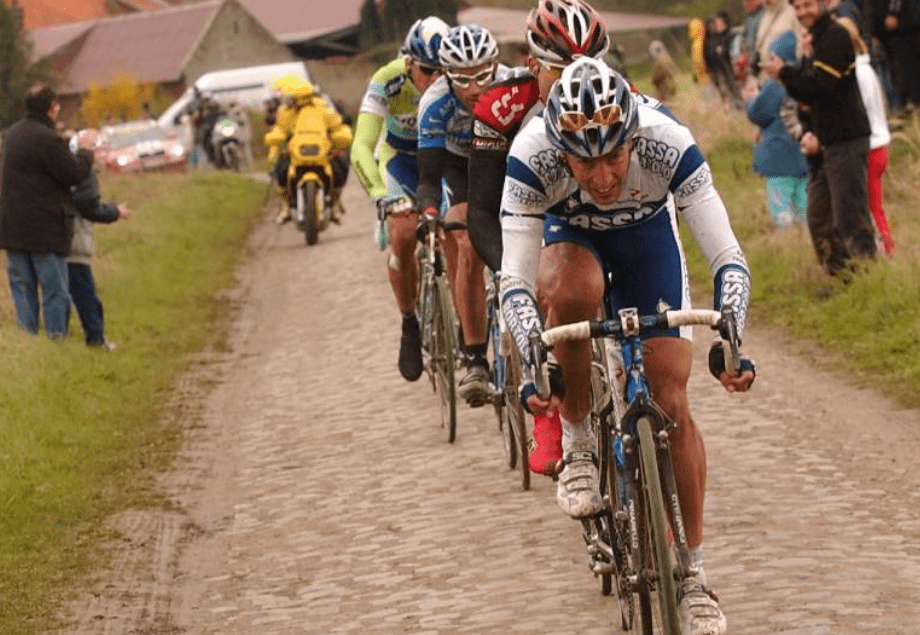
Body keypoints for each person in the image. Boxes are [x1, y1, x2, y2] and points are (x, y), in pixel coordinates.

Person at [499, 57, 755, 635]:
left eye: (614, 155)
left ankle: (692, 574)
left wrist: (730, 333)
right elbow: (514, 278)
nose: (604, 176)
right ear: (560, 148)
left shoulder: (668, 141)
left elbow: (727, 256)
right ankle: (580, 439)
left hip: (647, 242)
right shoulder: (532, 154)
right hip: (574, 241)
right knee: (571, 289)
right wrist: (534, 356)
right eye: (585, 161)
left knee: (672, 398)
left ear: (634, 136)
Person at [468, 0, 611, 475]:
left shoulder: (616, 96)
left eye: (589, 66)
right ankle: (551, 412)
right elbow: (484, 212)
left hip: (598, 208)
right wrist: (518, 279)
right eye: (560, 69)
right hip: (530, 211)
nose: (578, 79)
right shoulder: (503, 103)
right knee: (548, 286)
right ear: (532, 64)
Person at [350, 17, 450, 381]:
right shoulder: (386, 79)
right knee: (405, 236)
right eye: (427, 70)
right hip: (400, 163)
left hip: (440, 161)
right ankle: (410, 322)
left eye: (443, 72)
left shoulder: (454, 78)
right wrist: (379, 195)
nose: (435, 80)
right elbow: (361, 145)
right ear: (409, 63)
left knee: (460, 231)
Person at [415, 23, 508, 406]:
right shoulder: (434, 104)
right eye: (462, 79)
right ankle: (474, 357)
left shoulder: (513, 87)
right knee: (467, 239)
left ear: (497, 66)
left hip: (503, 158)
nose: (474, 88)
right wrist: (429, 211)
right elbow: (428, 176)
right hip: (460, 167)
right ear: (445, 75)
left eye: (483, 75)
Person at [762, 0, 877, 280]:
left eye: (808, 5)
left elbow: (819, 88)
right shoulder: (815, 39)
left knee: (850, 218)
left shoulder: (836, 35)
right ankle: (843, 282)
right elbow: (806, 95)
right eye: (797, 8)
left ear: (824, 3)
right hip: (826, 143)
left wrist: (785, 73)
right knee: (819, 218)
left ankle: (869, 280)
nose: (803, 13)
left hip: (847, 139)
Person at [0, 84, 93, 338]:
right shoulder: (48, 138)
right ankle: (55, 341)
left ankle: (28, 341)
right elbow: (74, 173)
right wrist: (86, 151)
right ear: (51, 108)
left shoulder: (13, 134)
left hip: (12, 228)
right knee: (54, 290)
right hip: (44, 230)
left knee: (23, 289)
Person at [67, 129, 132, 349]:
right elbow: (89, 207)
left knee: (72, 295)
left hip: (69, 244)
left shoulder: (71, 169)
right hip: (75, 246)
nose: (102, 153)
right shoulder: (84, 172)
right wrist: (115, 212)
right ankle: (96, 341)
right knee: (87, 297)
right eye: (97, 147)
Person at [838, 16, 895, 254]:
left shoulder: (858, 74)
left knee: (870, 209)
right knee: (874, 207)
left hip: (870, 147)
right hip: (878, 145)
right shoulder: (865, 68)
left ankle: (884, 253)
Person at [746, 31, 810, 227]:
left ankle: (787, 238)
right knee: (804, 203)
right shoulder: (804, 78)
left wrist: (751, 99)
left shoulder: (775, 85)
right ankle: (806, 236)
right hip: (803, 156)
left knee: (781, 206)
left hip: (778, 157)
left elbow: (756, 113)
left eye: (773, 57)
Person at [649, 39, 679, 104]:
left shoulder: (660, 61)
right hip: (670, 87)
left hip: (663, 90)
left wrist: (653, 80)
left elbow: (656, 78)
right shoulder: (667, 58)